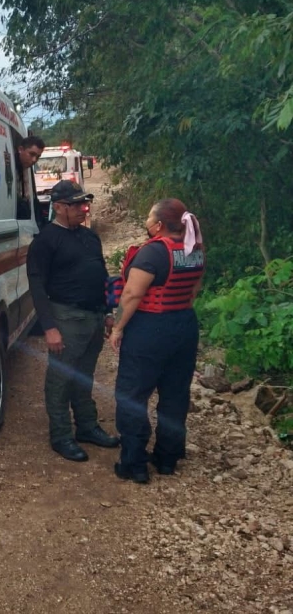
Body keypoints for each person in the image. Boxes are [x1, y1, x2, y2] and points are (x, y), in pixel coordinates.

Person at [109, 199, 205, 483]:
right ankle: (167, 458)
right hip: (185, 326)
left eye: (149, 219)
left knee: (132, 394)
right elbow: (194, 290)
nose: (146, 224)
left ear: (159, 225)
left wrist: (117, 329)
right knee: (175, 395)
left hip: (150, 329)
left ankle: (134, 463)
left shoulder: (153, 253)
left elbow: (131, 295)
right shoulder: (195, 249)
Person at [26, 180, 119, 461]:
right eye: (76, 204)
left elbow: (102, 276)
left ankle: (87, 426)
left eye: (84, 203)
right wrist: (49, 328)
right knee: (61, 378)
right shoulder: (45, 241)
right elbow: (37, 287)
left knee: (84, 376)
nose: (83, 208)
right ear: (59, 207)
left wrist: (107, 311)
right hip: (65, 317)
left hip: (93, 316)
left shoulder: (90, 237)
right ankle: (61, 435)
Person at [16, 134, 45, 221]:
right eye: (32, 154)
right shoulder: (12, 166)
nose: (34, 160)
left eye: (37, 157)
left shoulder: (25, 168)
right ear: (20, 149)